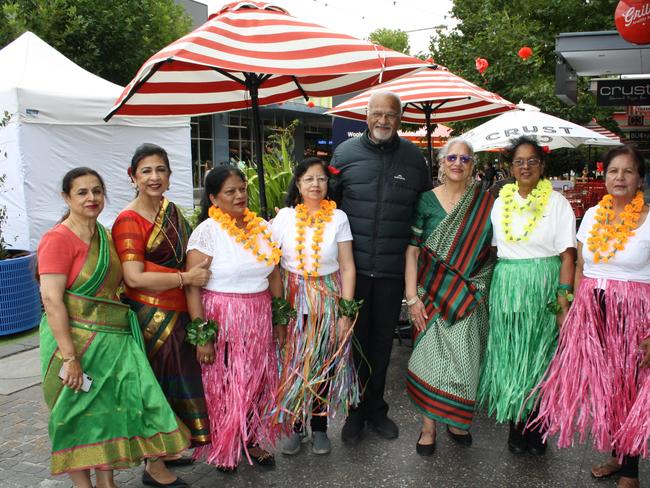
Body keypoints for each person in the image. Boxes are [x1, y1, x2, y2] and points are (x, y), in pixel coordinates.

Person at [37, 168, 189, 488]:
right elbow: (51, 301)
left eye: (97, 191)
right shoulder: (57, 239)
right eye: (82, 192)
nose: (91, 198)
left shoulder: (105, 236)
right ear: (66, 197)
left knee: (107, 415)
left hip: (111, 342)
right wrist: (69, 357)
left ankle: (107, 483)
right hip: (74, 342)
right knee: (76, 416)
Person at [531, 145, 650, 488]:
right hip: (592, 309)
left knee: (630, 387)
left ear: (640, 177)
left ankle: (631, 472)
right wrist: (571, 309)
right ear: (605, 175)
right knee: (607, 386)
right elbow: (582, 266)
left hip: (634, 313)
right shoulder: (595, 215)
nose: (620, 178)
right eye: (614, 171)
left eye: (628, 171)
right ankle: (618, 453)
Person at [329, 91, 432, 444]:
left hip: (391, 272)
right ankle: (355, 412)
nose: (383, 120)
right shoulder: (344, 155)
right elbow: (330, 207)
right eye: (377, 114)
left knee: (381, 345)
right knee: (354, 343)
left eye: (390, 114)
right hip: (353, 270)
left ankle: (376, 409)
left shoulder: (415, 159)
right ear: (366, 116)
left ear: (400, 118)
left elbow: (424, 213)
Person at [112, 144, 211, 481]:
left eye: (160, 170)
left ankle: (166, 451)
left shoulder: (171, 211)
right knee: (154, 389)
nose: (154, 177)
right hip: (150, 318)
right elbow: (133, 276)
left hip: (180, 312)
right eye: (146, 171)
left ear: (169, 174)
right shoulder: (128, 220)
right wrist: (186, 278)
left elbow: (189, 254)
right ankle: (152, 467)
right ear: (133, 177)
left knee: (175, 385)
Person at [477, 136, 576, 455]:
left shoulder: (557, 203)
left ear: (542, 166)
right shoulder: (499, 202)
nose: (526, 167)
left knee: (541, 357)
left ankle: (539, 427)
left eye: (532, 161)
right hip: (508, 284)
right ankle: (516, 426)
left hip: (545, 284)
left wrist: (563, 298)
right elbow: (492, 249)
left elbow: (568, 256)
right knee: (510, 355)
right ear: (510, 167)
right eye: (519, 162)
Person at [185, 165, 285, 470]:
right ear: (214, 199)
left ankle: (251, 440)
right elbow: (192, 286)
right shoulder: (206, 232)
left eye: (242, 188)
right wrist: (203, 336)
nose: (240, 195)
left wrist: (280, 319)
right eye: (231, 191)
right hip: (222, 316)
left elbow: (275, 276)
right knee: (227, 383)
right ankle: (226, 445)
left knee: (256, 381)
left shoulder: (262, 228)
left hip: (258, 316)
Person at [404, 138, 495, 456]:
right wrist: (412, 298)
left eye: (465, 159)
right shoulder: (425, 200)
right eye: (452, 157)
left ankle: (456, 420)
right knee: (429, 362)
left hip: (469, 296)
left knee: (464, 362)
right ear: (442, 163)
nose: (458, 163)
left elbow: (491, 253)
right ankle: (428, 427)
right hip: (430, 295)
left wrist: (480, 287)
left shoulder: (486, 203)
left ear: (473, 165)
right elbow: (412, 251)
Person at [271, 157, 358, 456]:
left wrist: (346, 312)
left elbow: (347, 267)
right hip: (294, 299)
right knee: (295, 365)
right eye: (309, 179)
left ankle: (319, 428)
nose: (315, 184)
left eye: (321, 179)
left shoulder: (339, 218)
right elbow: (271, 265)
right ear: (298, 184)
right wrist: (278, 310)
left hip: (327, 298)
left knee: (324, 364)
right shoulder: (283, 218)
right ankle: (295, 427)